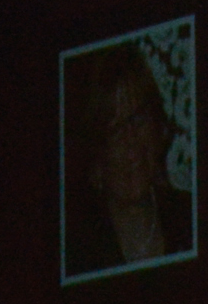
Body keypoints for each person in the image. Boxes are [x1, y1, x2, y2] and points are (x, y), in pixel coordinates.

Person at [64, 42, 192, 278]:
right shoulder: (75, 254)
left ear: (157, 127)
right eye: (115, 129)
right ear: (95, 159)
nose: (130, 140)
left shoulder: (190, 219)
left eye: (137, 119)